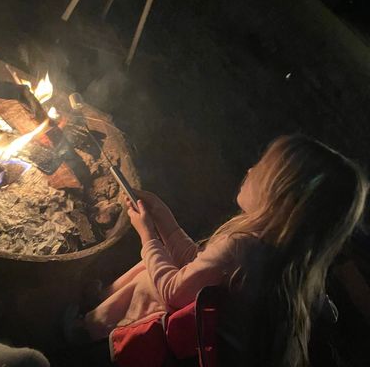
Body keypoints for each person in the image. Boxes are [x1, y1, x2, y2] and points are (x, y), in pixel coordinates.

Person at [74, 135, 368, 366]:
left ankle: (91, 333)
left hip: (187, 348)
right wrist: (164, 219)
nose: (250, 170)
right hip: (209, 337)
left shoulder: (243, 248)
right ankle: (100, 304)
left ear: (281, 197)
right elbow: (197, 266)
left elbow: (174, 291)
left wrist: (148, 235)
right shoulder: (285, 261)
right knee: (159, 263)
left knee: (151, 279)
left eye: (261, 169)